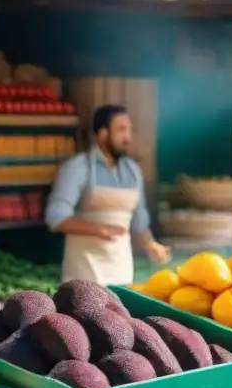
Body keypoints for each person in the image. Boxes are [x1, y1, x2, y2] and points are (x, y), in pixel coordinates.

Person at [45, 105, 168, 285]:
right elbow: (55, 217)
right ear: (102, 134)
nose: (128, 137)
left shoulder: (133, 171)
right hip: (84, 272)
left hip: (122, 272)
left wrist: (151, 245)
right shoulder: (78, 167)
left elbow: (139, 221)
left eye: (129, 129)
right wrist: (100, 230)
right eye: (121, 129)